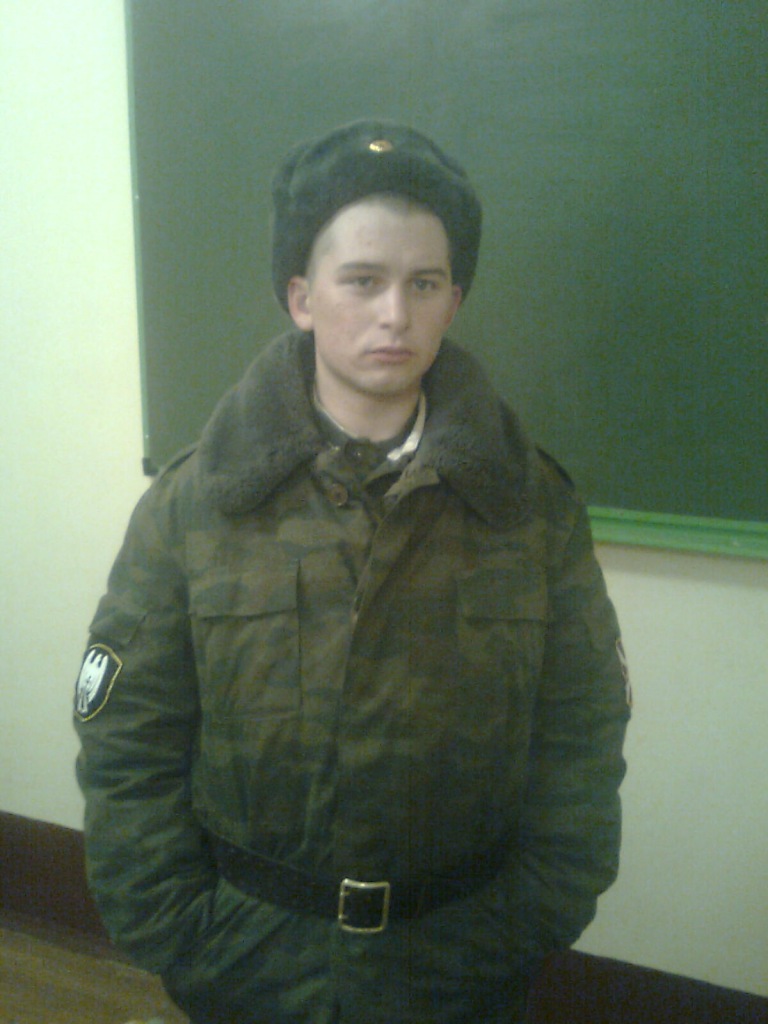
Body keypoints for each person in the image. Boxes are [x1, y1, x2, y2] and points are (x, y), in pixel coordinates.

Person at [73, 119, 631, 1024]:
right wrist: (180, 932)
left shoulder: (530, 506)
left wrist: (530, 918)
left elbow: (583, 730)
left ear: (455, 299)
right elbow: (128, 742)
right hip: (245, 963)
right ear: (301, 297)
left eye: (424, 284)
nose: (395, 316)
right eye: (362, 281)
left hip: (462, 966)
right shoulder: (198, 503)